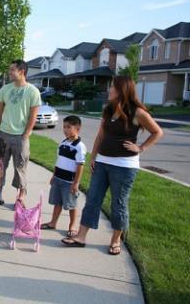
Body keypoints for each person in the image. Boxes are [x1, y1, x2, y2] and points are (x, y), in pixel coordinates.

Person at [62, 76, 163, 255]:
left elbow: (157, 132)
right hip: (102, 162)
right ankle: (81, 236)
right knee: (93, 199)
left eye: (113, 87)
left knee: (118, 203)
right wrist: (93, 157)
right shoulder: (108, 110)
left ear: (122, 90)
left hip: (125, 166)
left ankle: (116, 240)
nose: (109, 89)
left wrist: (141, 147)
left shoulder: (137, 112)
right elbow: (100, 136)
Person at [0, 60, 41, 206]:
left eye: (12, 69)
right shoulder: (5, 89)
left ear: (22, 71)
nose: (9, 72)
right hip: (3, 134)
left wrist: (26, 134)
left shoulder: (32, 91)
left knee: (20, 167)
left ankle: (21, 196)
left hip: (21, 136)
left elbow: (33, 115)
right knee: (0, 166)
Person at [40, 115, 87, 238]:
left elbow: (80, 166)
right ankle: (53, 222)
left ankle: (72, 226)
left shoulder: (79, 146)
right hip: (58, 178)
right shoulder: (63, 143)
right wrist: (53, 175)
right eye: (64, 127)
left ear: (77, 128)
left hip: (69, 181)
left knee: (72, 205)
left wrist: (76, 183)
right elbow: (59, 160)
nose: (65, 130)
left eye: (69, 127)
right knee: (57, 202)